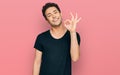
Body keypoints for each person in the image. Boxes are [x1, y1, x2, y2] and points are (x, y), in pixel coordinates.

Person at [33, 2, 82, 75]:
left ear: (60, 13)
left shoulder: (74, 35)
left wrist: (72, 32)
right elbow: (37, 62)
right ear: (47, 20)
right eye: (49, 15)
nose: (53, 16)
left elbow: (75, 58)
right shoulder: (41, 38)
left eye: (55, 12)